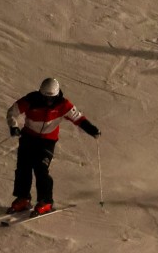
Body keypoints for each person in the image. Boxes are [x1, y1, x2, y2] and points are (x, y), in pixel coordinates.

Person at [5, 78, 101, 215]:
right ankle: (23, 198)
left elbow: (78, 118)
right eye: (45, 97)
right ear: (40, 93)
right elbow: (12, 112)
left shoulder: (63, 105)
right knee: (23, 167)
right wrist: (13, 126)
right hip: (28, 137)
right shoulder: (31, 100)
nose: (48, 101)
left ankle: (46, 201)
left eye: (51, 98)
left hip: (47, 141)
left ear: (57, 95)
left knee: (41, 168)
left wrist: (92, 129)